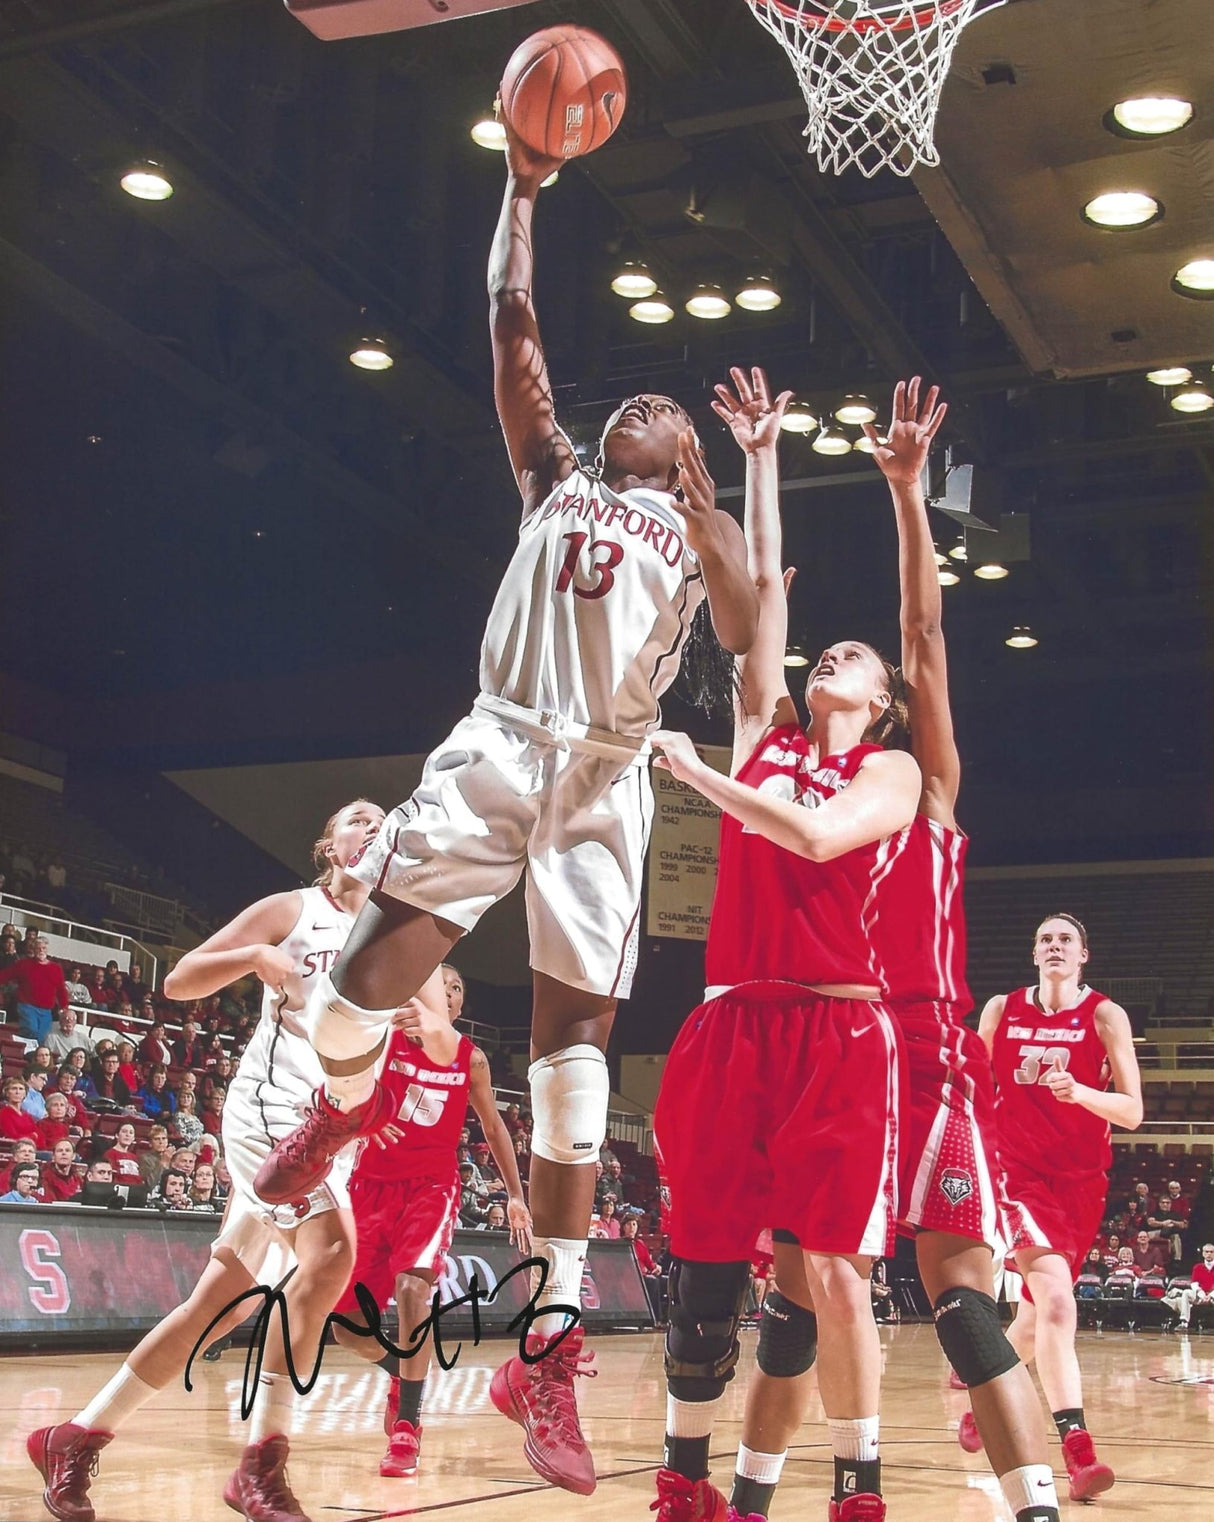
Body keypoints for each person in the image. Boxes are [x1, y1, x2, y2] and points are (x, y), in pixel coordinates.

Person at [252, 133, 759, 1501]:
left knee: (573, 1058)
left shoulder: (694, 527)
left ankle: (547, 1349)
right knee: (360, 986)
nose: (644, 401)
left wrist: (732, 506)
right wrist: (521, 193)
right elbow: (511, 324)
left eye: (669, 406)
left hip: (603, 776)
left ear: (684, 454)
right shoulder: (553, 476)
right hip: (496, 741)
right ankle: (339, 1111)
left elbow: (750, 626)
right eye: (634, 398)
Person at [647, 367, 923, 1522]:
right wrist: (761, 456)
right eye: (824, 651)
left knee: (831, 1269)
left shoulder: (890, 772)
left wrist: (700, 777)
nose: (828, 658)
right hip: (729, 1016)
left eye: (852, 655)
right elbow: (760, 590)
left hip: (835, 1028)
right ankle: (685, 1480)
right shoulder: (764, 725)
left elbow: (812, 841)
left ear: (886, 696)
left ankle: (853, 1484)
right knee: (702, 1268)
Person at [25, 801, 385, 1522]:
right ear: (329, 842)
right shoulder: (294, 908)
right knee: (331, 1255)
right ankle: (261, 1467)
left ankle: (75, 1436)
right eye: (357, 818)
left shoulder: (391, 936)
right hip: (270, 1115)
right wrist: (253, 958)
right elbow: (180, 979)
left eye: (382, 822)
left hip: (328, 1131)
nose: (372, 827)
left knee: (213, 1309)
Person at [331, 973, 531, 1479]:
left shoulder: (472, 1058)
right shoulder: (387, 1034)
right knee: (346, 1329)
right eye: (438, 980)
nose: (447, 990)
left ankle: (407, 1427)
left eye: (458, 986)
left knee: (412, 1289)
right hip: (370, 1186)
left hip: (430, 1187)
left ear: (461, 1005)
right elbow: (345, 1083)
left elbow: (493, 1126)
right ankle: (403, 1373)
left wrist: (514, 1194)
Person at [978, 914, 1143, 1502]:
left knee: (1034, 1317)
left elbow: (1131, 1111)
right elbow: (974, 1084)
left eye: (1064, 940)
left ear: (1083, 956)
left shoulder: (1104, 1015)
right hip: (1016, 1176)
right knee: (1055, 1299)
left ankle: (988, 1388)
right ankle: (1077, 1448)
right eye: (1045, 939)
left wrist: (1083, 1093)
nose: (1054, 947)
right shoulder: (1002, 1009)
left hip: (1081, 1183)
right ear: (1034, 954)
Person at [2, 935, 68, 1044]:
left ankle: (31, 1058)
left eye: (43, 948)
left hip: (46, 1010)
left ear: (47, 949)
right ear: (34, 949)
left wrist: (64, 1006)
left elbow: (61, 989)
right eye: (38, 948)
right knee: (31, 1029)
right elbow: (6, 975)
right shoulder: (23, 964)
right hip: (27, 1006)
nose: (41, 950)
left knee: (42, 1037)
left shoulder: (56, 968)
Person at [1164, 1242, 1214, 1329]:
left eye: (1211, 1252)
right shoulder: (1197, 1267)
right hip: (1200, 1295)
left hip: (1212, 1295)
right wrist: (1202, 1295)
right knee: (1186, 1292)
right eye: (1206, 1252)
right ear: (1203, 1253)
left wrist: (1209, 1296)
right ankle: (1184, 1323)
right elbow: (1194, 1284)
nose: (1209, 1254)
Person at [1, 1077, 39, 1143]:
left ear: (25, 1094)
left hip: (33, 1148)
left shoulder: (27, 1116)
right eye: (14, 1088)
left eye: (21, 1089)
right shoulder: (3, 1114)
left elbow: (38, 1134)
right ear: (7, 1093)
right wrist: (32, 1136)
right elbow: (13, 1136)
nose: (17, 1092)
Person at [104, 1121, 143, 1186]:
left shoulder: (134, 1157)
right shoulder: (109, 1154)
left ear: (133, 1138)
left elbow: (139, 1179)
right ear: (117, 1135)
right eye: (124, 1131)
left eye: (131, 1133)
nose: (127, 1135)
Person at [138, 1124, 173, 1189]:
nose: (161, 1142)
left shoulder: (173, 1158)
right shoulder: (145, 1159)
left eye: (164, 1138)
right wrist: (163, 1163)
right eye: (157, 1139)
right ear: (150, 1144)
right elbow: (151, 1183)